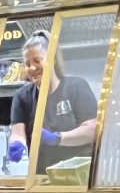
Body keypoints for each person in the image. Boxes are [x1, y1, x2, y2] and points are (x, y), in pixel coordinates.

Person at [7, 31, 98, 173]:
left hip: (79, 178)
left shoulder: (76, 87)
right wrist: (17, 144)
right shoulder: (22, 96)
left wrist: (58, 138)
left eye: (37, 61)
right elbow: (18, 132)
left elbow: (92, 130)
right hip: (41, 178)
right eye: (27, 63)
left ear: (52, 59)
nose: (31, 68)